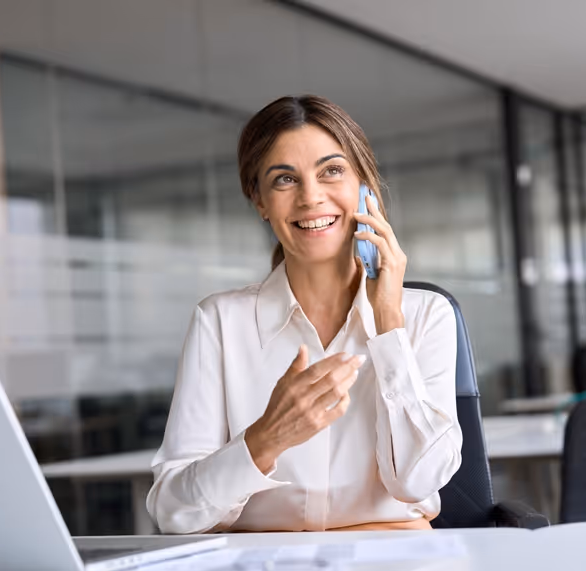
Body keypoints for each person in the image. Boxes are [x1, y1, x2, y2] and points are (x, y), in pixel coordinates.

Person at [146, 95, 463, 533]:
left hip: (393, 565)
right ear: (259, 201)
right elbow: (172, 512)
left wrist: (389, 323)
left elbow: (418, 481)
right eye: (284, 179)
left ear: (364, 187)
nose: (311, 197)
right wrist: (265, 439)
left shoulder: (427, 315)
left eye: (332, 171)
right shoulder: (220, 322)